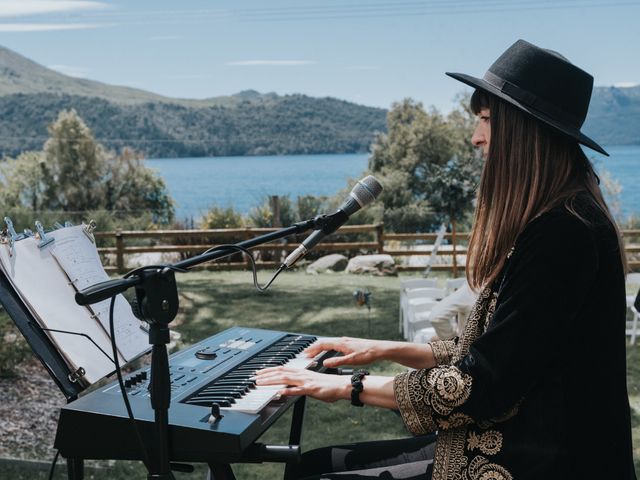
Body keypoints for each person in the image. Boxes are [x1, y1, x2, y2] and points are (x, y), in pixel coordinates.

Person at [256, 39, 637, 480]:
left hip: (540, 461)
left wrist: (347, 388)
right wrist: (380, 349)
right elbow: (498, 354)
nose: (476, 136)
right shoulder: (560, 217)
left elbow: (484, 387)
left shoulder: (564, 232)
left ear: (525, 131)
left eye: (487, 119)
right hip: (512, 444)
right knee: (311, 466)